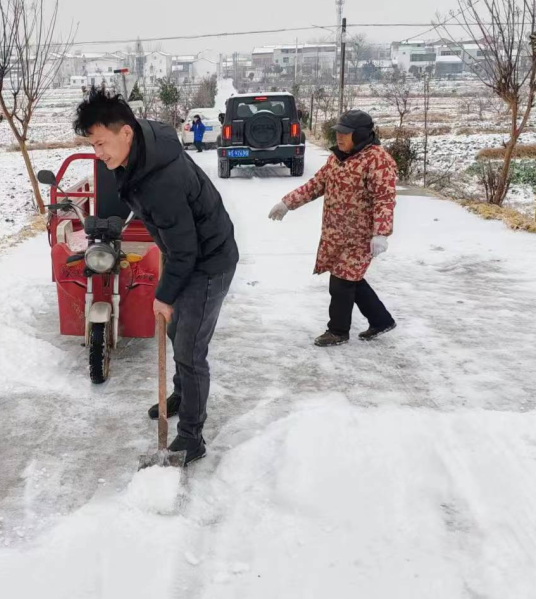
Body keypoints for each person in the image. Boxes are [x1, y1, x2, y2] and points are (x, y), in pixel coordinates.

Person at [75, 88, 238, 465]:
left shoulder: (160, 179)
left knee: (190, 349)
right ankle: (182, 393)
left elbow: (186, 251)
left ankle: (191, 437)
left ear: (125, 132)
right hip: (186, 251)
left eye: (101, 143)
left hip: (208, 261)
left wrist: (163, 295)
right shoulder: (142, 146)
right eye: (92, 144)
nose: (98, 153)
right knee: (176, 331)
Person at [268, 110, 397, 347]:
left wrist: (381, 233)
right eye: (338, 132)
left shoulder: (378, 160)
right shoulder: (337, 158)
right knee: (351, 279)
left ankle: (338, 331)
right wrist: (287, 203)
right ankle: (381, 320)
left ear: (360, 135)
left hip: (360, 237)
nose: (339, 137)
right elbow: (316, 184)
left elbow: (384, 199)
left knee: (341, 282)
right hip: (336, 233)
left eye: (345, 133)